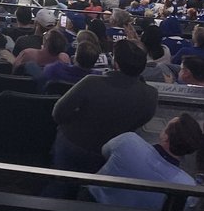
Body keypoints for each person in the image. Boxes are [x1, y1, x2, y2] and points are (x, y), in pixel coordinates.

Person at [51, 39, 158, 174]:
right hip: (108, 152)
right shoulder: (151, 94)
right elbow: (137, 124)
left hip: (73, 144)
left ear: (116, 64)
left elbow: (58, 113)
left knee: (60, 184)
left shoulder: (91, 82)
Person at [87, 115, 202, 211]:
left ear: (165, 136)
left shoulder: (128, 141)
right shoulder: (187, 186)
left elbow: (104, 152)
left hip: (88, 206)